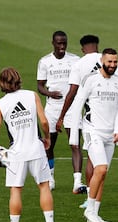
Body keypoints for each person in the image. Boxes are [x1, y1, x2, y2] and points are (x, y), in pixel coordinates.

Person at [56, 35, 118, 208]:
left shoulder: (79, 64)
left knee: (93, 159)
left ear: (83, 49)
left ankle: (90, 196)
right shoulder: (107, 61)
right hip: (113, 117)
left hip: (95, 118)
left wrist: (61, 116)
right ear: (97, 47)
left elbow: (73, 92)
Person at [0, 67, 66, 222]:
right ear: (19, 80)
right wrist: (47, 138)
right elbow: (44, 121)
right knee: (44, 186)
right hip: (36, 149)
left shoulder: (0, 105)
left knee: (16, 190)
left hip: (16, 154)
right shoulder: (32, 95)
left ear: (1, 83)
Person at [69, 48, 118, 222]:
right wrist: (73, 136)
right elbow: (78, 105)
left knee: (103, 174)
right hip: (93, 131)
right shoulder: (92, 80)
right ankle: (89, 209)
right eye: (109, 62)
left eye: (115, 62)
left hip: (110, 134)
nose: (112, 65)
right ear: (102, 61)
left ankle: (96, 213)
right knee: (99, 169)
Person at [37, 30, 86, 193]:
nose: (62, 46)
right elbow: (40, 86)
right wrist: (50, 93)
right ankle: (50, 178)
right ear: (53, 43)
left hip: (72, 107)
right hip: (52, 107)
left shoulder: (75, 61)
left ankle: (77, 182)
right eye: (59, 43)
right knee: (49, 144)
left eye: (64, 43)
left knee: (75, 143)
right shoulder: (44, 62)